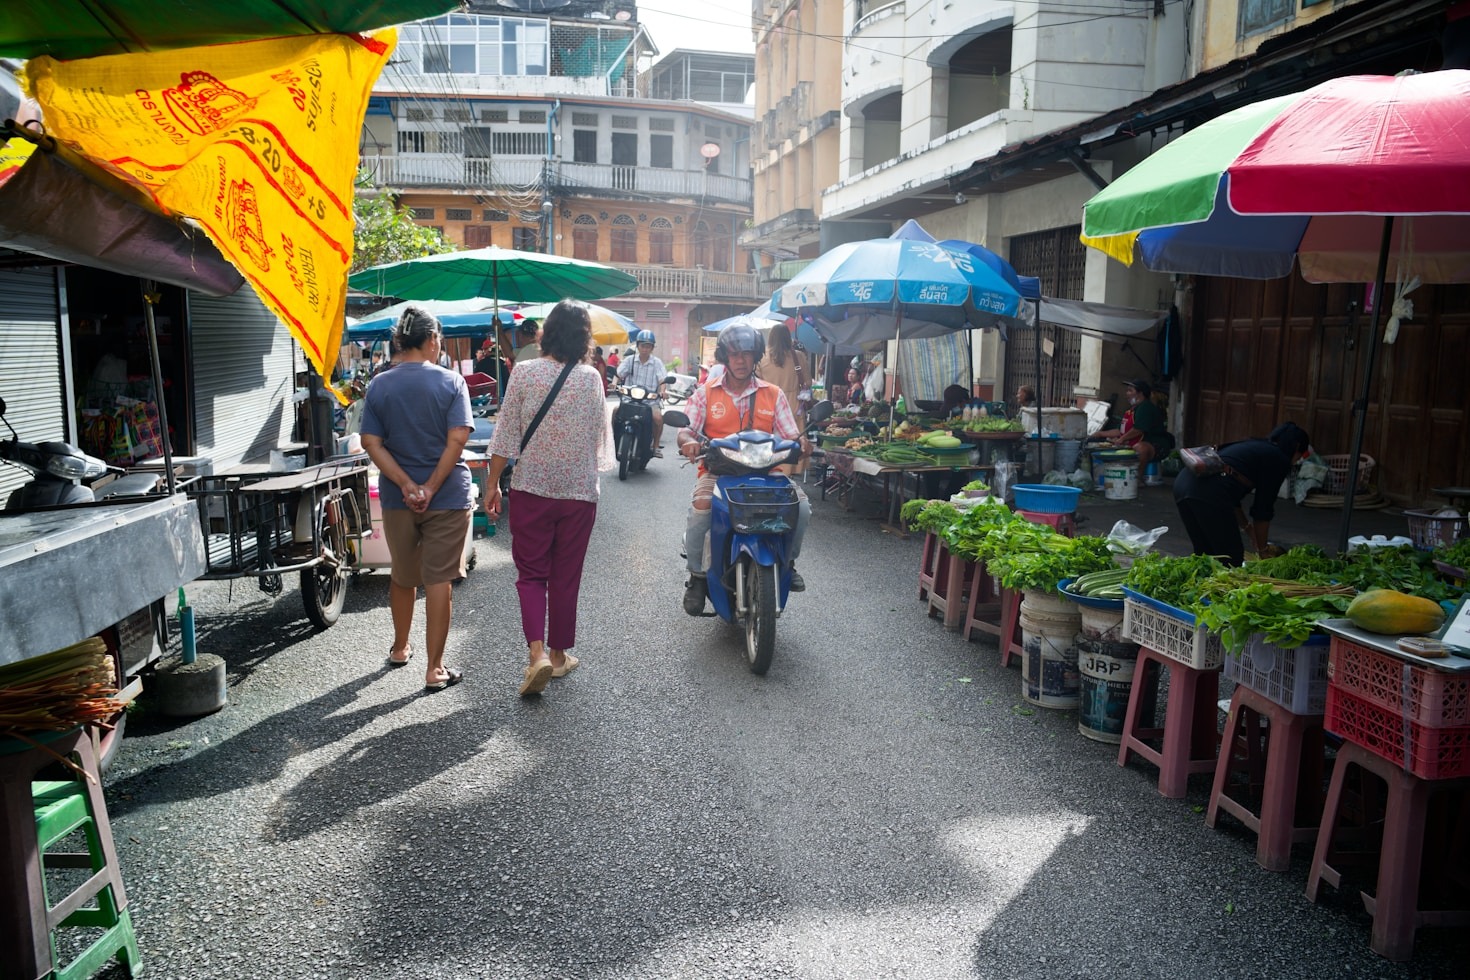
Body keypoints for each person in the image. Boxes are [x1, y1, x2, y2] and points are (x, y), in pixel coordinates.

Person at [483, 300, 611, 697]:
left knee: (532, 574)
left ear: (546, 333)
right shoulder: (591, 378)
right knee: (565, 576)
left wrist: (491, 484)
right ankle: (558, 657)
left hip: (532, 489)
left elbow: (504, 436)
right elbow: (598, 440)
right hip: (577, 494)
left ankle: (536, 655)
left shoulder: (523, 373)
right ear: (584, 337)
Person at [358, 307, 473, 692]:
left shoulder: (379, 386)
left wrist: (408, 485)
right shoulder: (452, 382)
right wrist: (431, 486)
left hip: (396, 498)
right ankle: (434, 669)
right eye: (437, 338)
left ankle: (399, 647)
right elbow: (458, 438)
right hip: (447, 496)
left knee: (403, 575)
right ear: (430, 341)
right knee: (438, 579)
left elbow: (371, 442)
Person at [678, 322, 811, 615]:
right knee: (701, 505)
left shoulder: (773, 393)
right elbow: (686, 429)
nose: (741, 361)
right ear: (725, 356)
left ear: (756, 357)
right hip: (718, 473)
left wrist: (801, 443)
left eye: (747, 354)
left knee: (801, 507)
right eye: (734, 354)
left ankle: (788, 562)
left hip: (767, 473)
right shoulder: (706, 393)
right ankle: (698, 576)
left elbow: (791, 434)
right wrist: (687, 441)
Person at [1173, 422, 1311, 566]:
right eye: (1302, 454)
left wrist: (1247, 528)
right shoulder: (1279, 459)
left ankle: (1200, 585)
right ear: (1296, 447)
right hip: (1207, 491)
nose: (1298, 460)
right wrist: (1263, 550)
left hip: (1183, 483)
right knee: (1231, 558)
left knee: (1205, 554)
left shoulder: (1254, 447)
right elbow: (1262, 510)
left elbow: (1231, 497)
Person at [615, 329, 669, 456]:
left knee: (658, 418)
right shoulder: (629, 360)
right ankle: (614, 439)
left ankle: (655, 446)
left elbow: (662, 380)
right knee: (615, 411)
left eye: (648, 346)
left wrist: (663, 391)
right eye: (643, 345)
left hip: (649, 400)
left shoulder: (657, 363)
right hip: (629, 399)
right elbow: (618, 374)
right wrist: (614, 383)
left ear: (652, 348)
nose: (645, 349)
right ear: (637, 346)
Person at [1101, 379, 1174, 468]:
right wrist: (1100, 434)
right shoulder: (1131, 410)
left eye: (1130, 391)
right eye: (1127, 390)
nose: (1127, 394)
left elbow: (1138, 430)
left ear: (1140, 393)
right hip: (1138, 442)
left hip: (1157, 444)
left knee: (1140, 448)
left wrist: (1121, 439)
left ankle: (1139, 478)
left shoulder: (1145, 407)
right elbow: (1119, 430)